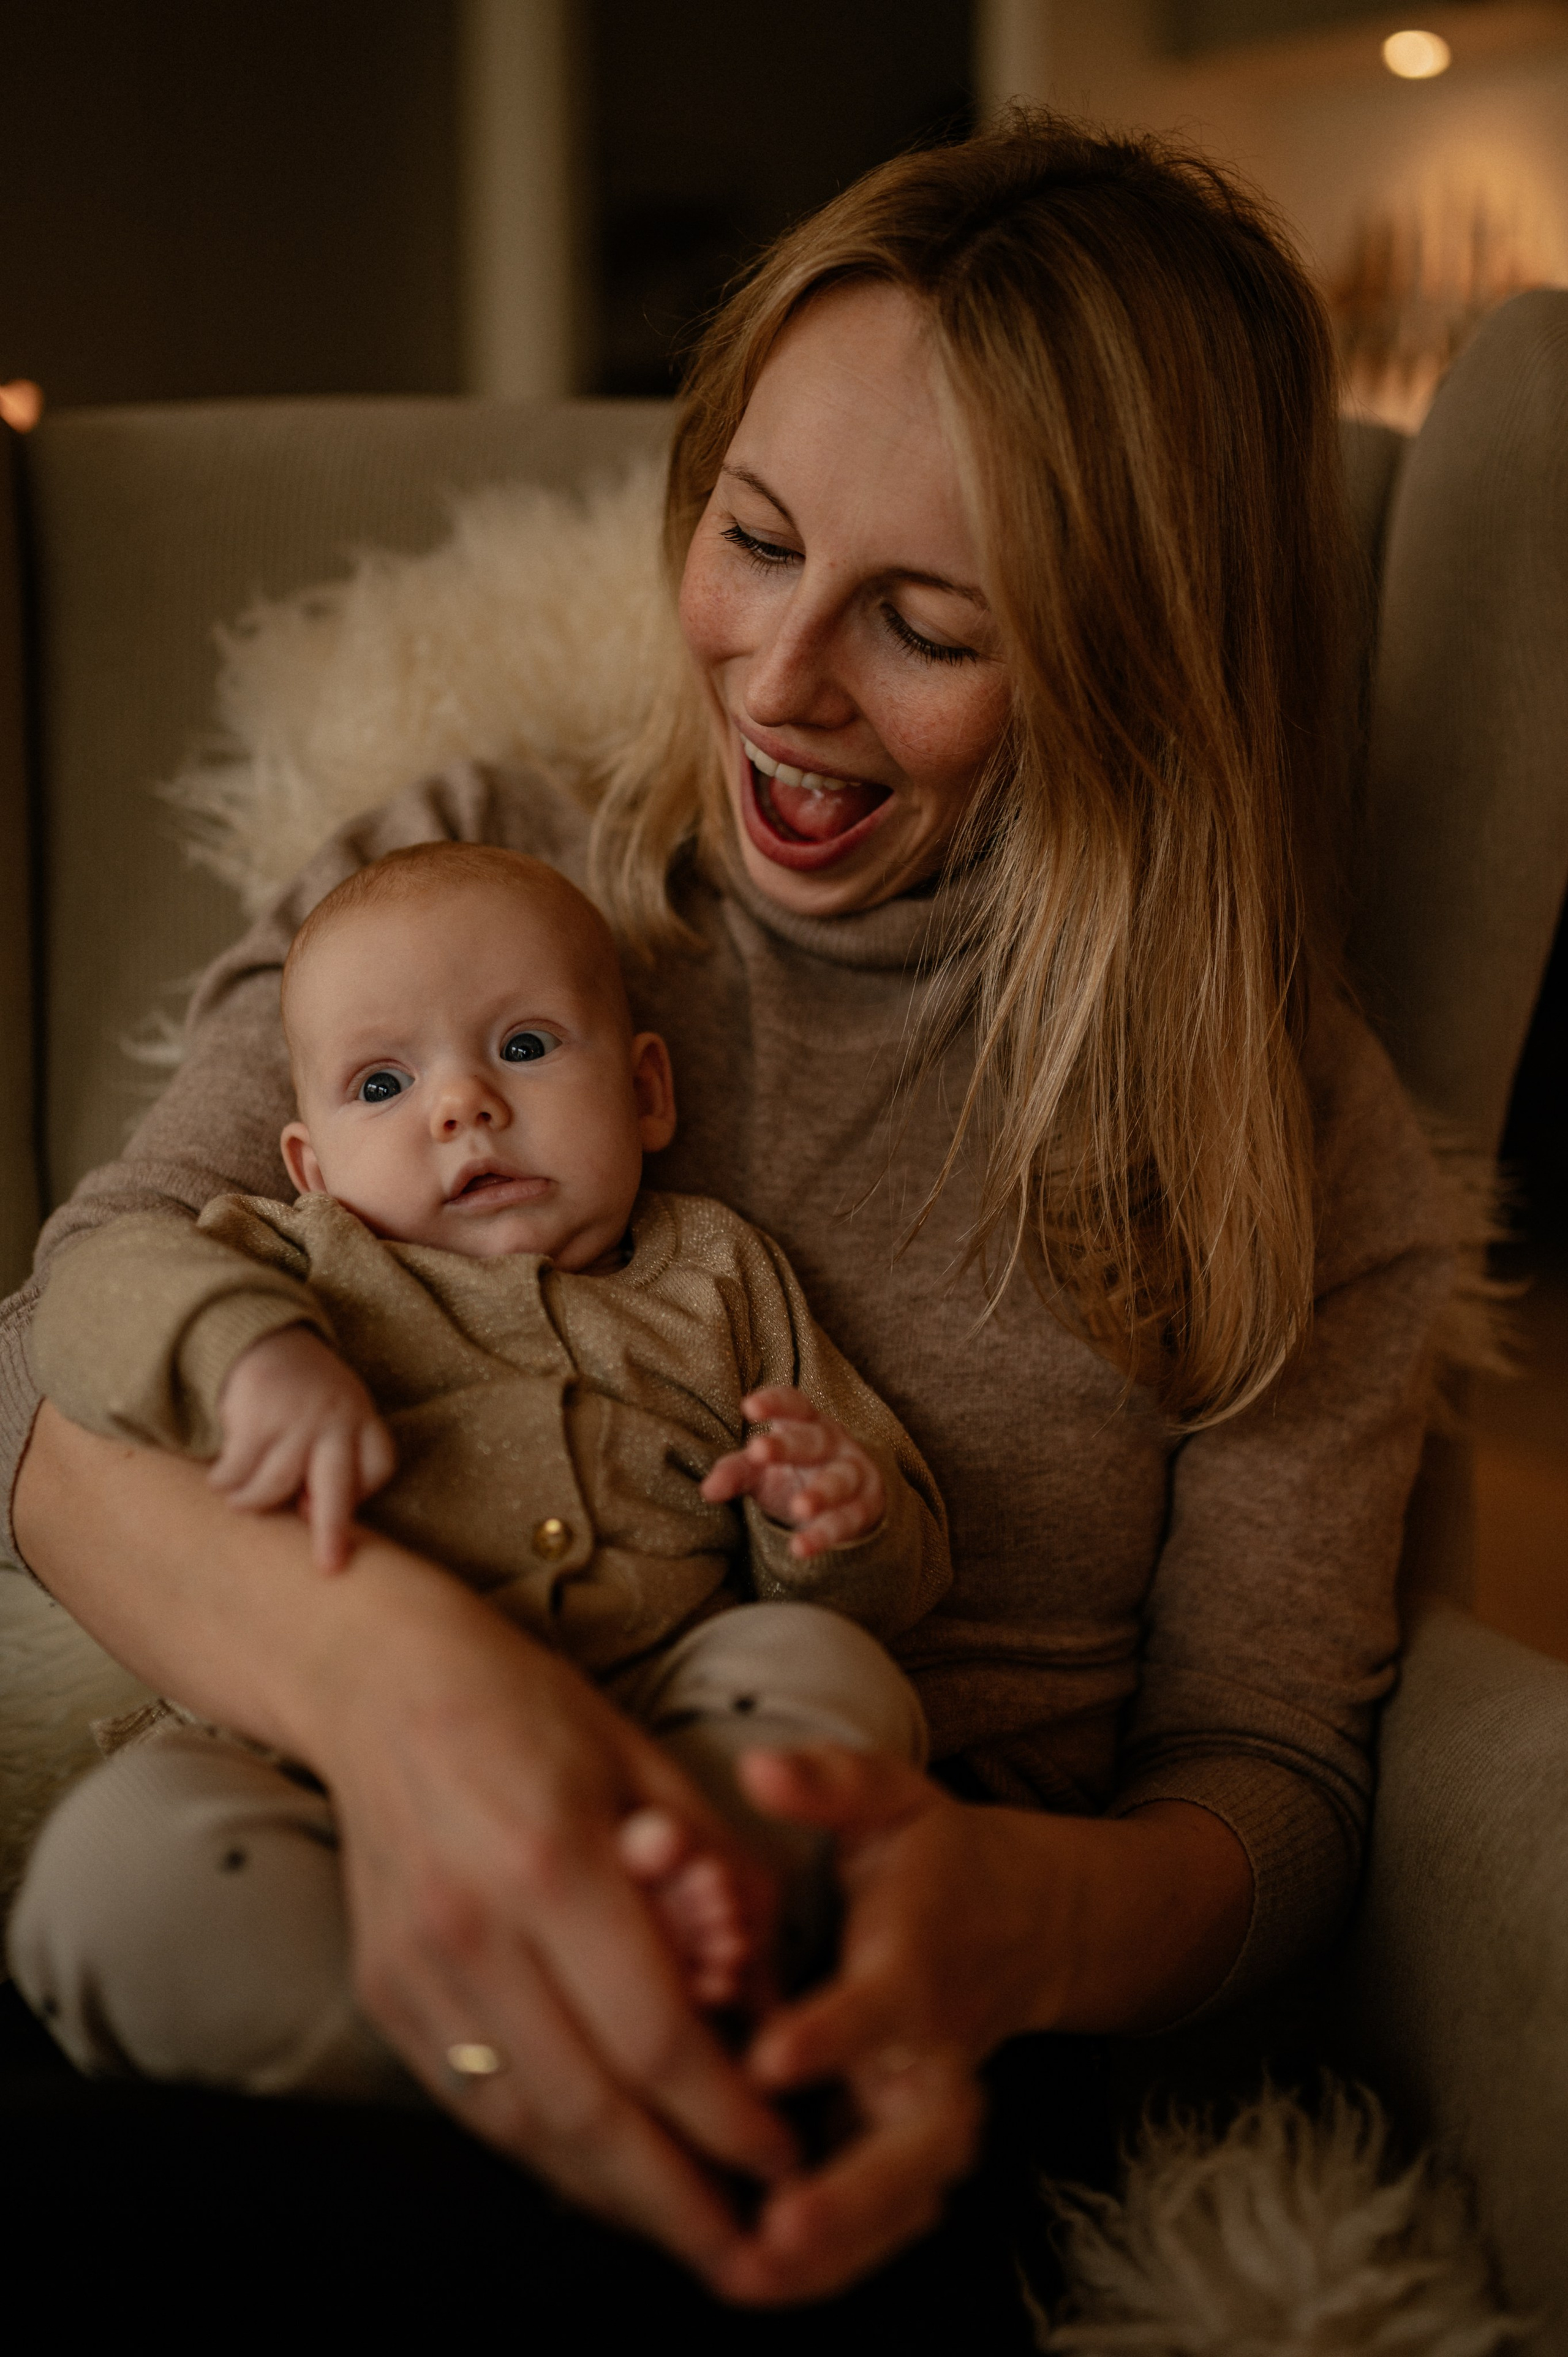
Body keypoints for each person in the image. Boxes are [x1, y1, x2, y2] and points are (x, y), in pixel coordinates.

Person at [0, 110, 1454, 2331]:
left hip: (846, 2017)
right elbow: (59, 1372)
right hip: (342, 1909)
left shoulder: (1279, 1124)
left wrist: (1007, 1915)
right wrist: (412, 1704)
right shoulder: (473, 887)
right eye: (754, 539)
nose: (779, 678)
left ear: (1136, 659)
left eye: (926, 624)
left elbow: (1269, 1781)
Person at [14, 841, 946, 2052]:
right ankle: (485, 2054)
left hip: (662, 1732)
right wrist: (246, 1351)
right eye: (383, 1085)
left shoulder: (715, 1271)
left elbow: (904, 1574)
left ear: (646, 1092)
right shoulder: (297, 1260)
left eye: (522, 1047)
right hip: (326, 1771)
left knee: (825, 1674)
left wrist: (831, 1520)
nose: (463, 1105)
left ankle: (682, 1911)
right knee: (112, 1873)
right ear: (311, 1166)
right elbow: (81, 1295)